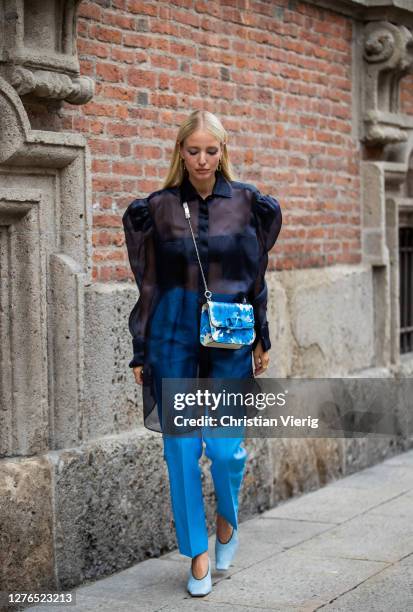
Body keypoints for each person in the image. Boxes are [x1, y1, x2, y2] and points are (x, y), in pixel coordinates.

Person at [122, 110, 282, 596]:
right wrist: (140, 348)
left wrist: (262, 336)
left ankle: (228, 521)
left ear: (223, 151)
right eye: (193, 150)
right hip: (172, 336)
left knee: (227, 450)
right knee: (181, 451)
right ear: (180, 152)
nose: (202, 159)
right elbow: (147, 283)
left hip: (230, 338)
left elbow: (256, 275)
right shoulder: (157, 208)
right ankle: (197, 554)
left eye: (211, 150)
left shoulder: (249, 204)